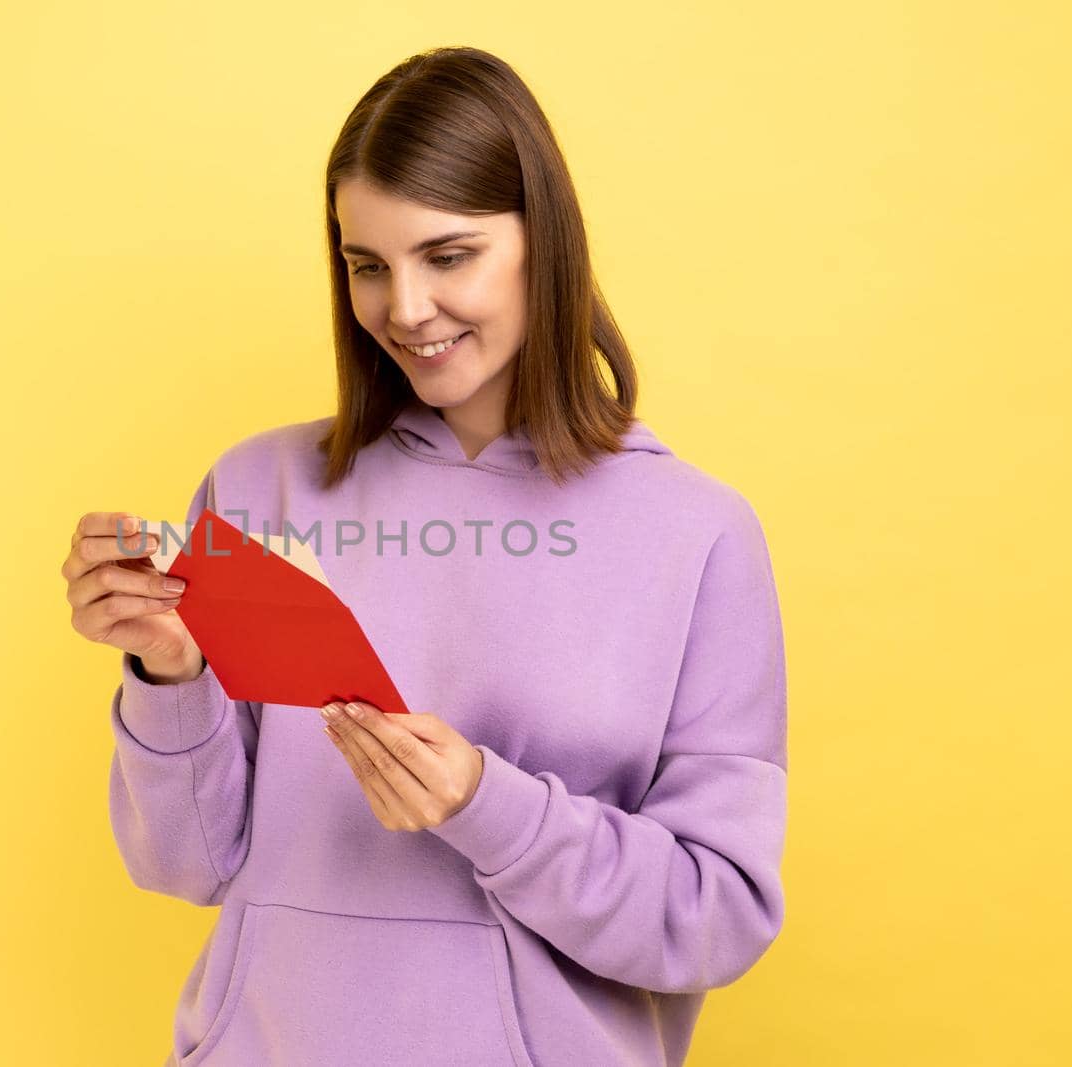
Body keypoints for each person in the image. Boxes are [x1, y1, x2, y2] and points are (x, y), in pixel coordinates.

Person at [63, 45, 788, 1067]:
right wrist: (167, 672)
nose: (403, 308)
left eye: (448, 256)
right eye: (367, 265)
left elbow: (713, 917)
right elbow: (187, 861)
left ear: (547, 245)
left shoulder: (696, 532)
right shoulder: (259, 488)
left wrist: (488, 808)